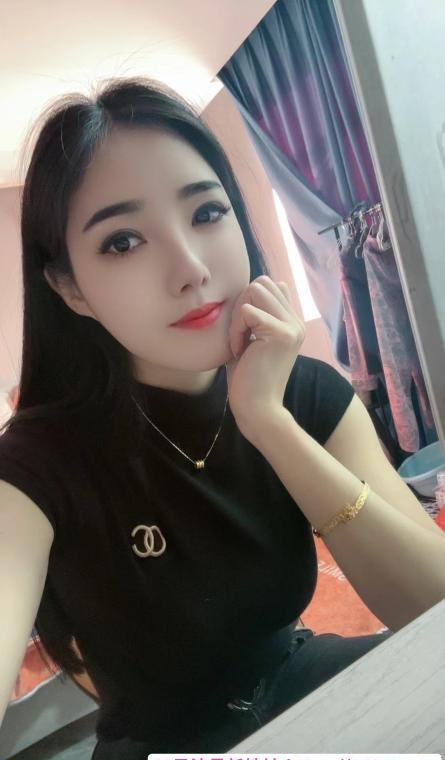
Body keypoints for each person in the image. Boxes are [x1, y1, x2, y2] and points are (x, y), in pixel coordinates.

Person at [0, 77, 443, 759]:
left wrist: (269, 424)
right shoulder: (36, 462)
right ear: (70, 289)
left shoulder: (307, 394)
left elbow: (432, 607)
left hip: (307, 683)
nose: (190, 269)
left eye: (206, 212)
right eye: (122, 241)